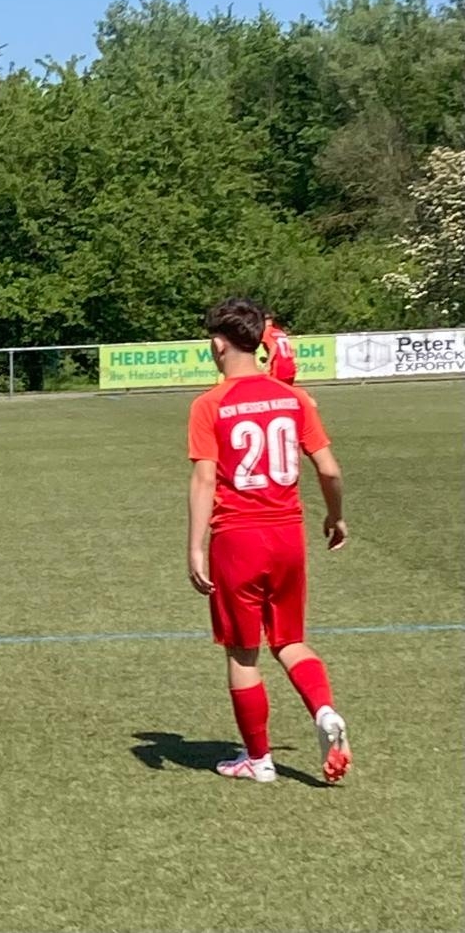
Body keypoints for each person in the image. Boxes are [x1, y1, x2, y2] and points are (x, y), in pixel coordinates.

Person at [187, 297, 351, 785]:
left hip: (237, 538)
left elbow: (204, 478)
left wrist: (195, 547)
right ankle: (324, 710)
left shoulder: (209, 404)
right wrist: (336, 517)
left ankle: (259, 760)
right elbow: (329, 469)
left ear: (219, 345)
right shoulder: (294, 398)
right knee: (290, 640)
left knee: (243, 652)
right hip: (288, 535)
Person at [261, 311, 298, 385]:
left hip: (278, 368)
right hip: (290, 367)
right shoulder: (280, 332)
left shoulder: (267, 332)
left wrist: (267, 364)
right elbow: (290, 351)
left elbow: (274, 347)